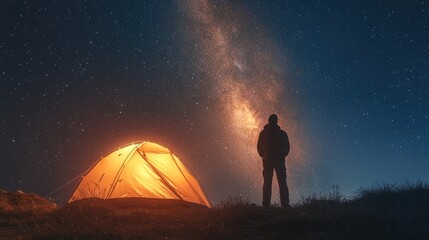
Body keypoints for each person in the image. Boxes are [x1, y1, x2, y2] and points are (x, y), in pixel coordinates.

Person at [257, 114, 290, 207]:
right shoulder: (266, 133)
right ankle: (283, 203)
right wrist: (264, 155)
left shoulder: (265, 133)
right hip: (272, 160)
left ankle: (271, 203)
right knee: (277, 182)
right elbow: (259, 146)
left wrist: (264, 155)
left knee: (274, 182)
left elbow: (287, 147)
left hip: (274, 160)